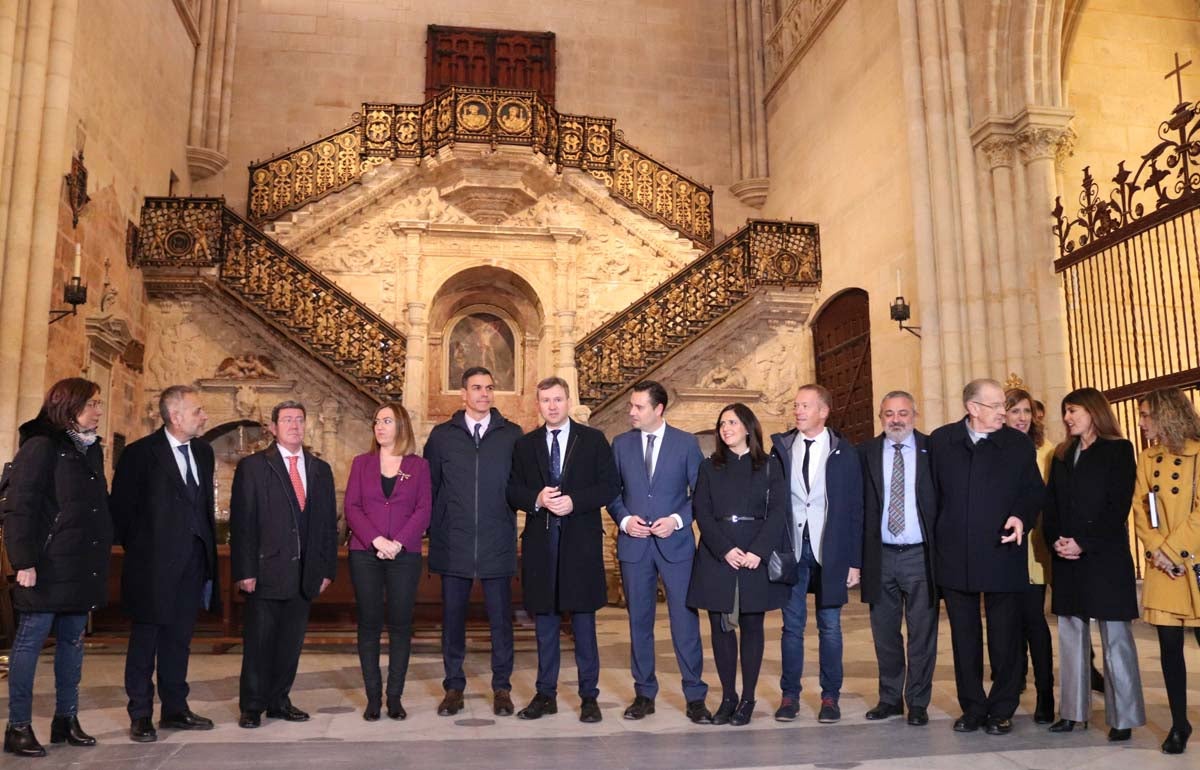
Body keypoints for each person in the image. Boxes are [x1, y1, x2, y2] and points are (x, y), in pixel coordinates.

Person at [2, 378, 112, 757]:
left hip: (80, 563)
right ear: (70, 405)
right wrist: (24, 561)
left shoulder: (89, 450)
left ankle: (66, 720)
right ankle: (17, 726)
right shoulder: (41, 446)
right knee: (30, 642)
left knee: (72, 643)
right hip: (46, 564)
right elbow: (20, 506)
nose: (99, 410)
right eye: (93, 403)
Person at [930, 378, 1044, 735]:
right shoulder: (941, 442)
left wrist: (1020, 516)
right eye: (996, 406)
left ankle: (1002, 707)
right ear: (973, 408)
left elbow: (1034, 492)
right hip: (955, 556)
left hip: (1002, 552)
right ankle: (973, 707)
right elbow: (929, 496)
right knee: (964, 638)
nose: (1003, 413)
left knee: (1005, 637)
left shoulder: (1018, 445)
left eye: (1004, 407)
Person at [110, 385, 221, 743]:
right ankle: (141, 713)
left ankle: (175, 708)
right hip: (151, 567)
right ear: (175, 416)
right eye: (198, 410)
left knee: (179, 641)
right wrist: (147, 551)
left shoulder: (204, 453)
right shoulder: (140, 454)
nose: (203, 416)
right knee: (146, 642)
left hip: (193, 565)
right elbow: (122, 514)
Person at [507, 377, 619, 723]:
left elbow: (610, 485)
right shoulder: (526, 446)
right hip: (542, 546)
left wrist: (576, 502)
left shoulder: (593, 440)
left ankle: (589, 697)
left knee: (584, 625)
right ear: (537, 404)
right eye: (545, 400)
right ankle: (546, 694)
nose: (552, 406)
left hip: (580, 545)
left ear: (568, 400)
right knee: (545, 625)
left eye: (557, 399)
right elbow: (512, 490)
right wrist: (536, 499)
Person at [1042, 387, 1144, 742]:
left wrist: (1084, 543)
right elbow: (1051, 505)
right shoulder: (1061, 454)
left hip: (1104, 558)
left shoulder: (1118, 450)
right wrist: (1057, 540)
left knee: (1115, 637)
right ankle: (1072, 713)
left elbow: (1118, 507)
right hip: (1067, 558)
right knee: (1071, 637)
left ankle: (1124, 716)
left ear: (1094, 411)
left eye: (1074, 411)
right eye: (1065, 411)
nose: (1068, 418)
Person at [230, 400, 338, 728]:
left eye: (299, 420)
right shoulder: (253, 467)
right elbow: (243, 523)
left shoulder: (321, 470)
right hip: (265, 572)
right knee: (259, 643)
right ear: (273, 428)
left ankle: (279, 700)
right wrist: (244, 570)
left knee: (290, 644)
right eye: (287, 420)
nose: (294, 425)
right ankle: (252, 705)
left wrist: (327, 570)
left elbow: (327, 527)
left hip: (305, 574)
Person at [423, 366, 523, 717]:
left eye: (489, 388)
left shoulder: (512, 435)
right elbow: (429, 489)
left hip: (497, 541)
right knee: (452, 620)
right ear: (463, 394)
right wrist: (435, 531)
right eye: (476, 388)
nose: (484, 393)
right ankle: (453, 686)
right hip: (454, 543)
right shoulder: (441, 437)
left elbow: (520, 486)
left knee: (501, 621)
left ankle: (502, 687)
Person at [608, 381, 709, 723]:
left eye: (638, 407)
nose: (631, 412)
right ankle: (644, 693)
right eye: (631, 406)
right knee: (639, 623)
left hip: (676, 546)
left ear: (658, 409)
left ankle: (695, 695)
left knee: (685, 622)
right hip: (635, 546)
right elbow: (612, 493)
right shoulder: (620, 445)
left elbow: (701, 495)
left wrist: (678, 520)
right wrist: (624, 521)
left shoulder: (686, 444)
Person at [686, 403, 789, 726]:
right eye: (721, 424)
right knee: (720, 627)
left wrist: (757, 551)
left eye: (731, 422)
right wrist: (725, 549)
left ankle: (748, 698)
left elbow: (778, 513)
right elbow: (702, 511)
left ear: (747, 427)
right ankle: (728, 696)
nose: (725, 428)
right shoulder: (709, 467)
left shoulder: (769, 465)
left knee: (752, 626)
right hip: (719, 554)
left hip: (754, 554)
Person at [771, 384, 863, 723]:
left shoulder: (844, 452)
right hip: (793, 549)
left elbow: (855, 508)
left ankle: (829, 697)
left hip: (831, 550)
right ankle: (789, 696)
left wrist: (855, 561)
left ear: (823, 412)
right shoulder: (780, 448)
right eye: (796, 405)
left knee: (831, 627)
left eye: (805, 406)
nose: (798, 411)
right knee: (791, 627)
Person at [344, 403, 431, 721]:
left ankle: (394, 697)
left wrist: (397, 543)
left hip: (404, 554)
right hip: (365, 553)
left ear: (401, 426)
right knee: (368, 625)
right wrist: (376, 540)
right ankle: (372, 697)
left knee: (400, 625)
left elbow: (424, 509)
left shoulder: (418, 466)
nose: (379, 426)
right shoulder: (361, 463)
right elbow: (352, 507)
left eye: (386, 421)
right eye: (376, 421)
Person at [858, 391, 938, 727]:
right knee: (884, 632)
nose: (896, 419)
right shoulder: (866, 452)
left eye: (903, 412)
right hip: (882, 555)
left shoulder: (932, 449)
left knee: (922, 632)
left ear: (914, 415)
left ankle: (917, 702)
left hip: (920, 554)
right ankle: (890, 698)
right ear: (881, 417)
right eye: (889, 413)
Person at [1131, 387, 1200, 754]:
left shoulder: (1199, 453)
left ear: (1167, 414)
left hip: (1194, 563)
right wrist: (1157, 550)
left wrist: (1174, 551)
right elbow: (1142, 507)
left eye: (1145, 415)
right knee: (1169, 649)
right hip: (1163, 566)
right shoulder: (1148, 457)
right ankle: (1179, 723)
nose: (1141, 423)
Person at [1003, 387, 1055, 723]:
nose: (1022, 418)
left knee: (1034, 620)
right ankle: (1012, 680)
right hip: (1005, 547)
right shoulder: (995, 448)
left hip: (1034, 548)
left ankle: (1046, 692)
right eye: (1014, 412)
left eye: (1026, 412)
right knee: (1008, 623)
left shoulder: (1047, 451)